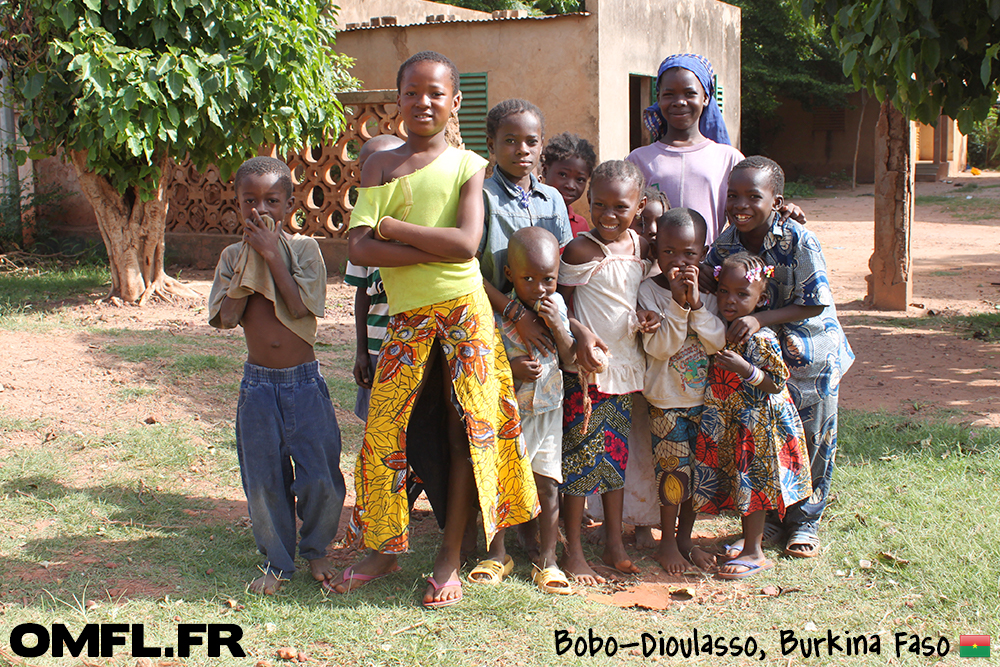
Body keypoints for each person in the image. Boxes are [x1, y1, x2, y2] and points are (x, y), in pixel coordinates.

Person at [330, 51, 537, 609]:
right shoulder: (379, 165)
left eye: (435, 93)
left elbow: (466, 245)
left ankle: (450, 556)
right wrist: (422, 245)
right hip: (406, 316)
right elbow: (358, 247)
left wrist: (394, 229)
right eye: (411, 92)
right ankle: (383, 548)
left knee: (468, 426)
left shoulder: (469, 165)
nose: (423, 102)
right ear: (397, 101)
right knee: (384, 429)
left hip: (465, 312)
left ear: (454, 102)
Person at [208, 156, 346, 595]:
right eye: (250, 201)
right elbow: (226, 318)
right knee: (264, 480)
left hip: (304, 383)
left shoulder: (305, 250)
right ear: (238, 203)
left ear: (289, 204)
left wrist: (271, 254)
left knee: (321, 477)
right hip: (258, 387)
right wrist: (250, 264)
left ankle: (317, 546)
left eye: (271, 200)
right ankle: (278, 561)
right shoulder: (232, 256)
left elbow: (302, 307)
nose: (260, 210)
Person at [705, 156, 854, 560]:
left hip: (810, 356)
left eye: (754, 196)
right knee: (768, 439)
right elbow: (705, 275)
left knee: (812, 437)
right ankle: (769, 518)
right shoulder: (726, 243)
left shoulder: (798, 239)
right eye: (733, 195)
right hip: (759, 361)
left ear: (777, 200)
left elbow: (815, 303)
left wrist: (758, 319)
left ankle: (804, 521)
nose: (741, 205)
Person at [557, 160, 660, 584]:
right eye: (598, 205)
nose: (608, 215)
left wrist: (645, 316)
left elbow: (633, 297)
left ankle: (614, 541)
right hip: (588, 371)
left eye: (620, 207)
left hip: (623, 369)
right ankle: (575, 551)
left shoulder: (638, 247)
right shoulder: (582, 249)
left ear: (639, 206)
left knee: (615, 457)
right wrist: (579, 332)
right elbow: (558, 304)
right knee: (581, 459)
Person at [692, 252, 812, 579]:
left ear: (762, 299)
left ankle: (754, 552)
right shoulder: (727, 328)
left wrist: (745, 369)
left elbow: (776, 383)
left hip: (760, 424)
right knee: (741, 483)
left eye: (742, 294)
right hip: (736, 420)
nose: (730, 300)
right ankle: (749, 541)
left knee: (754, 485)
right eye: (723, 292)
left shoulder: (760, 337)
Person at [485, 227, 577, 594]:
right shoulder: (497, 314)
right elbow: (486, 366)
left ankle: (549, 560)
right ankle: (497, 554)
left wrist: (559, 326)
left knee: (549, 485)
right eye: (528, 279)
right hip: (510, 416)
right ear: (509, 275)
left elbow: (571, 361)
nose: (540, 288)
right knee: (502, 481)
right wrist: (513, 369)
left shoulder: (558, 308)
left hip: (548, 414)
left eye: (548, 279)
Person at [638, 208, 726, 573]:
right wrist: (676, 305)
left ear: (703, 253)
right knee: (673, 475)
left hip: (705, 400)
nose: (678, 261)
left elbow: (717, 342)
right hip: (667, 401)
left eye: (688, 254)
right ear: (656, 249)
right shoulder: (649, 291)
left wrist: (697, 305)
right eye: (669, 252)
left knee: (698, 474)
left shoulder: (710, 292)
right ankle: (668, 544)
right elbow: (659, 349)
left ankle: (686, 539)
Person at [626, 53, 743, 244]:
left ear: (705, 97)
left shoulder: (728, 158)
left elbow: (746, 218)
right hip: (651, 269)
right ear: (659, 98)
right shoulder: (638, 160)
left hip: (707, 268)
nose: (679, 101)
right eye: (669, 94)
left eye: (690, 93)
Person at [345, 133, 406, 422]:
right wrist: (360, 351)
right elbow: (361, 294)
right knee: (378, 427)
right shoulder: (361, 227)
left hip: (413, 344)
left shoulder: (419, 221)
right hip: (376, 348)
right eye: (364, 167)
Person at [540, 132, 598, 238]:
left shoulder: (580, 226)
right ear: (545, 170)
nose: (570, 185)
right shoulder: (530, 215)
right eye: (562, 175)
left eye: (580, 179)